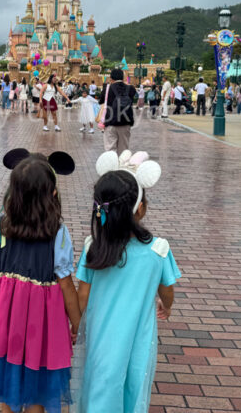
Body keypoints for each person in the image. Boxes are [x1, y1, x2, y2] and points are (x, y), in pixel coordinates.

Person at [0, 151, 80, 413]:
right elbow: (65, 283)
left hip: (5, 317)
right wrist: (77, 323)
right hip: (41, 323)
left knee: (8, 377)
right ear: (52, 193)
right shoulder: (57, 231)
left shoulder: (1, 223)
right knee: (38, 381)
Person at [76, 151, 181, 413]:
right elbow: (167, 290)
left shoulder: (93, 248)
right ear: (140, 208)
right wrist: (166, 306)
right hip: (139, 335)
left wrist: (77, 324)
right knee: (134, 385)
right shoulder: (157, 250)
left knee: (100, 384)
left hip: (100, 332)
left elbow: (83, 296)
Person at [100, 68, 137, 155]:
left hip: (110, 122)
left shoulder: (107, 88)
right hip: (125, 122)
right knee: (123, 151)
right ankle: (122, 167)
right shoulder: (130, 88)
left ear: (111, 78)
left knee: (110, 150)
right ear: (123, 77)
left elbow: (101, 101)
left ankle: (111, 168)